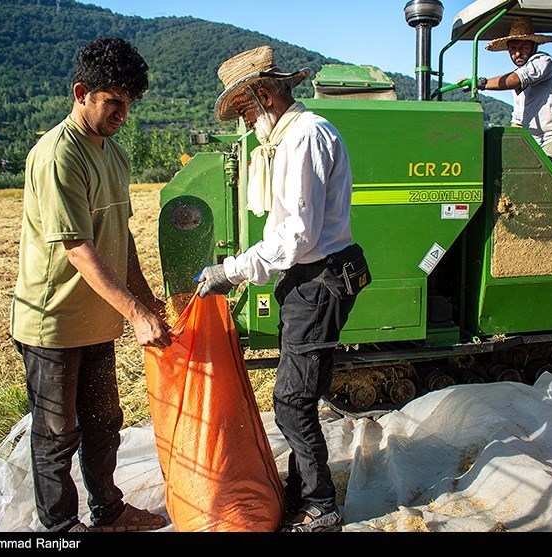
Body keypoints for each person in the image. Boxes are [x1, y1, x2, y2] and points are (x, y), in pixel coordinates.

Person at [197, 45, 371, 533]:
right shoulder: (289, 137)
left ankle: (321, 507)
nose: (247, 121)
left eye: (247, 109)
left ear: (268, 95)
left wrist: (231, 271)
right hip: (310, 277)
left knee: (291, 402)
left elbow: (296, 236)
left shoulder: (304, 138)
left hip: (320, 279)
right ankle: (300, 491)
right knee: (303, 396)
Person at [10, 36, 172, 533]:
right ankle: (61, 528)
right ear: (82, 92)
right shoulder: (59, 155)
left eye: (129, 103)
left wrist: (147, 301)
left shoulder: (114, 156)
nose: (124, 113)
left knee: (104, 425)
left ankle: (109, 511)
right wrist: (136, 314)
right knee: (58, 434)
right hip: (52, 324)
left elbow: (118, 237)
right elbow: (79, 248)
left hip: (99, 322)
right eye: (114, 102)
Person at [472, 17, 552, 186]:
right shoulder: (519, 88)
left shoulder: (542, 61)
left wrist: (480, 83)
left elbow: (516, 79)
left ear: (533, 47)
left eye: (523, 47)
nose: (518, 53)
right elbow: (518, 123)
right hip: (541, 141)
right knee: (516, 173)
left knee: (541, 177)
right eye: (513, 48)